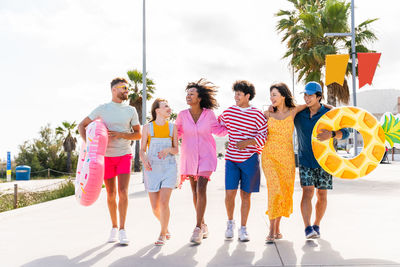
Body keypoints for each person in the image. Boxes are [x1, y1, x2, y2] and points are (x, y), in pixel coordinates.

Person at [78, 77, 141, 245]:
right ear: (114, 90)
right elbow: (81, 125)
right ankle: (113, 228)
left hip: (124, 155)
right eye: (123, 88)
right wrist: (90, 148)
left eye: (127, 88)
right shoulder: (102, 109)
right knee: (111, 194)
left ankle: (122, 229)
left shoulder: (131, 111)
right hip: (105, 158)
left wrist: (121, 135)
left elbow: (138, 134)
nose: (126, 90)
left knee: (123, 192)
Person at [294, 81, 349, 239]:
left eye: (310, 95)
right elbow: (284, 113)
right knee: (307, 191)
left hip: (325, 161)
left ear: (319, 97)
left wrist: (331, 134)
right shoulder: (299, 114)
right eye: (305, 94)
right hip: (305, 160)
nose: (306, 97)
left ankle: (317, 224)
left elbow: (345, 133)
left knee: (322, 194)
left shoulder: (329, 113)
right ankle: (307, 228)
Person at [175, 78, 227, 244]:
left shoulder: (209, 114)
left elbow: (218, 131)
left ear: (199, 98)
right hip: (189, 157)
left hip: (206, 156)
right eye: (187, 94)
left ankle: (197, 227)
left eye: (192, 94)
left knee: (201, 187)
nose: (188, 96)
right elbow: (177, 134)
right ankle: (203, 224)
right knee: (194, 191)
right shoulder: (182, 115)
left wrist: (233, 124)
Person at [218, 80, 268, 242]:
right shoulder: (229, 112)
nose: (236, 97)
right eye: (235, 94)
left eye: (239, 94)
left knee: (246, 196)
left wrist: (247, 143)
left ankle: (244, 228)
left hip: (250, 160)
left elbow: (263, 136)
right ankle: (230, 223)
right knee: (229, 194)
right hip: (231, 159)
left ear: (247, 96)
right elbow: (217, 125)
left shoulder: (257, 115)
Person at [262, 83, 308, 243]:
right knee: (274, 190)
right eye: (270, 95)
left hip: (287, 159)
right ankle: (271, 230)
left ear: (283, 95)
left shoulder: (293, 111)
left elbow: (312, 104)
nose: (271, 98)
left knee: (283, 192)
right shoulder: (267, 114)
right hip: (269, 157)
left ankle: (277, 228)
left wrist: (330, 106)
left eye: (274, 94)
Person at [139, 98, 178, 246]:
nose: (169, 108)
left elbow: (176, 149)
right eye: (165, 106)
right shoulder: (147, 128)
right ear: (157, 110)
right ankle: (166, 227)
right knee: (155, 207)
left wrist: (168, 150)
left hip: (169, 168)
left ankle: (162, 234)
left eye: (169, 106)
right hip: (152, 169)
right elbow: (142, 149)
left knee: (163, 202)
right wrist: (144, 158)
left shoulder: (172, 127)